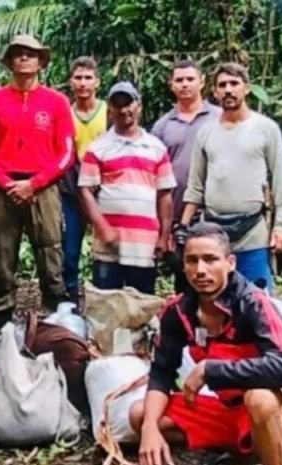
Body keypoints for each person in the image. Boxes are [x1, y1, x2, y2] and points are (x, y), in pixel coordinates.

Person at [130, 222, 282, 465]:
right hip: (232, 414)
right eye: (192, 260)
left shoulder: (253, 303)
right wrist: (148, 430)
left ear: (230, 263)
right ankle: (245, 463)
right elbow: (161, 372)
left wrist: (211, 370)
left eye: (210, 259)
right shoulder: (179, 312)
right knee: (140, 414)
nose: (200, 269)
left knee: (259, 397)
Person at [0, 34, 75, 328]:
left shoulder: (56, 102)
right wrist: (6, 183)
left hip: (43, 188)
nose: (25, 58)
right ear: (9, 62)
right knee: (1, 255)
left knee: (50, 254)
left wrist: (36, 183)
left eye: (31, 54)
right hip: (4, 189)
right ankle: (3, 325)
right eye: (18, 54)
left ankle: (57, 323)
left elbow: (67, 152)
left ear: (41, 61)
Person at [180, 62, 282, 291]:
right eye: (222, 85)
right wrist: (183, 227)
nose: (229, 90)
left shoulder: (266, 129)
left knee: (256, 299)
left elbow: (280, 180)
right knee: (215, 298)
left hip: (253, 230)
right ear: (214, 91)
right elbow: (195, 186)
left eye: (234, 84)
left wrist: (281, 226)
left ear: (246, 88)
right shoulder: (206, 132)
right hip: (213, 229)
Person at [77, 82, 174, 294]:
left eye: (128, 103)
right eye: (117, 105)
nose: (123, 110)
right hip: (108, 246)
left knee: (140, 305)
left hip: (144, 244)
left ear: (138, 106)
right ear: (109, 110)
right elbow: (85, 191)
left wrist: (164, 235)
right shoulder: (98, 148)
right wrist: (102, 226)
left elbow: (164, 194)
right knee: (105, 304)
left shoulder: (156, 147)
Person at [152, 60, 221, 292]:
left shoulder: (219, 118)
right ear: (171, 85)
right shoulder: (163, 126)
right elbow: (156, 176)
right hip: (177, 215)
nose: (185, 85)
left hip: (215, 211)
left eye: (190, 79)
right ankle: (187, 326)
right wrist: (163, 226)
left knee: (215, 274)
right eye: (179, 80)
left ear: (202, 82)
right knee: (185, 277)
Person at [62, 56, 106, 301]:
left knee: (103, 251)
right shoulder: (65, 114)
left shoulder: (108, 111)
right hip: (71, 192)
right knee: (69, 252)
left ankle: (101, 298)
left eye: (88, 78)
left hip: (104, 192)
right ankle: (69, 300)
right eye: (78, 78)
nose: (83, 83)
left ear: (96, 82)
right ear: (71, 82)